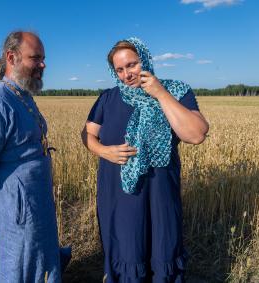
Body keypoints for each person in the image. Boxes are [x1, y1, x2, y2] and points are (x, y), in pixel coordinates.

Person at [81, 37, 209, 282]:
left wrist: (160, 93)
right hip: (119, 195)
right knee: (127, 249)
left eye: (132, 64)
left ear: (146, 59)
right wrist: (103, 151)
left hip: (160, 192)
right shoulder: (108, 98)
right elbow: (88, 133)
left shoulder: (176, 91)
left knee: (162, 246)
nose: (127, 74)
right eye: (120, 69)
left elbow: (196, 134)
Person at [0, 31, 70, 283]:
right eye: (36, 58)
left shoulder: (22, 95)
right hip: (16, 208)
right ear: (12, 57)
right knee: (20, 263)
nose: (43, 65)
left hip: (36, 201)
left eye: (43, 58)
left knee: (40, 257)